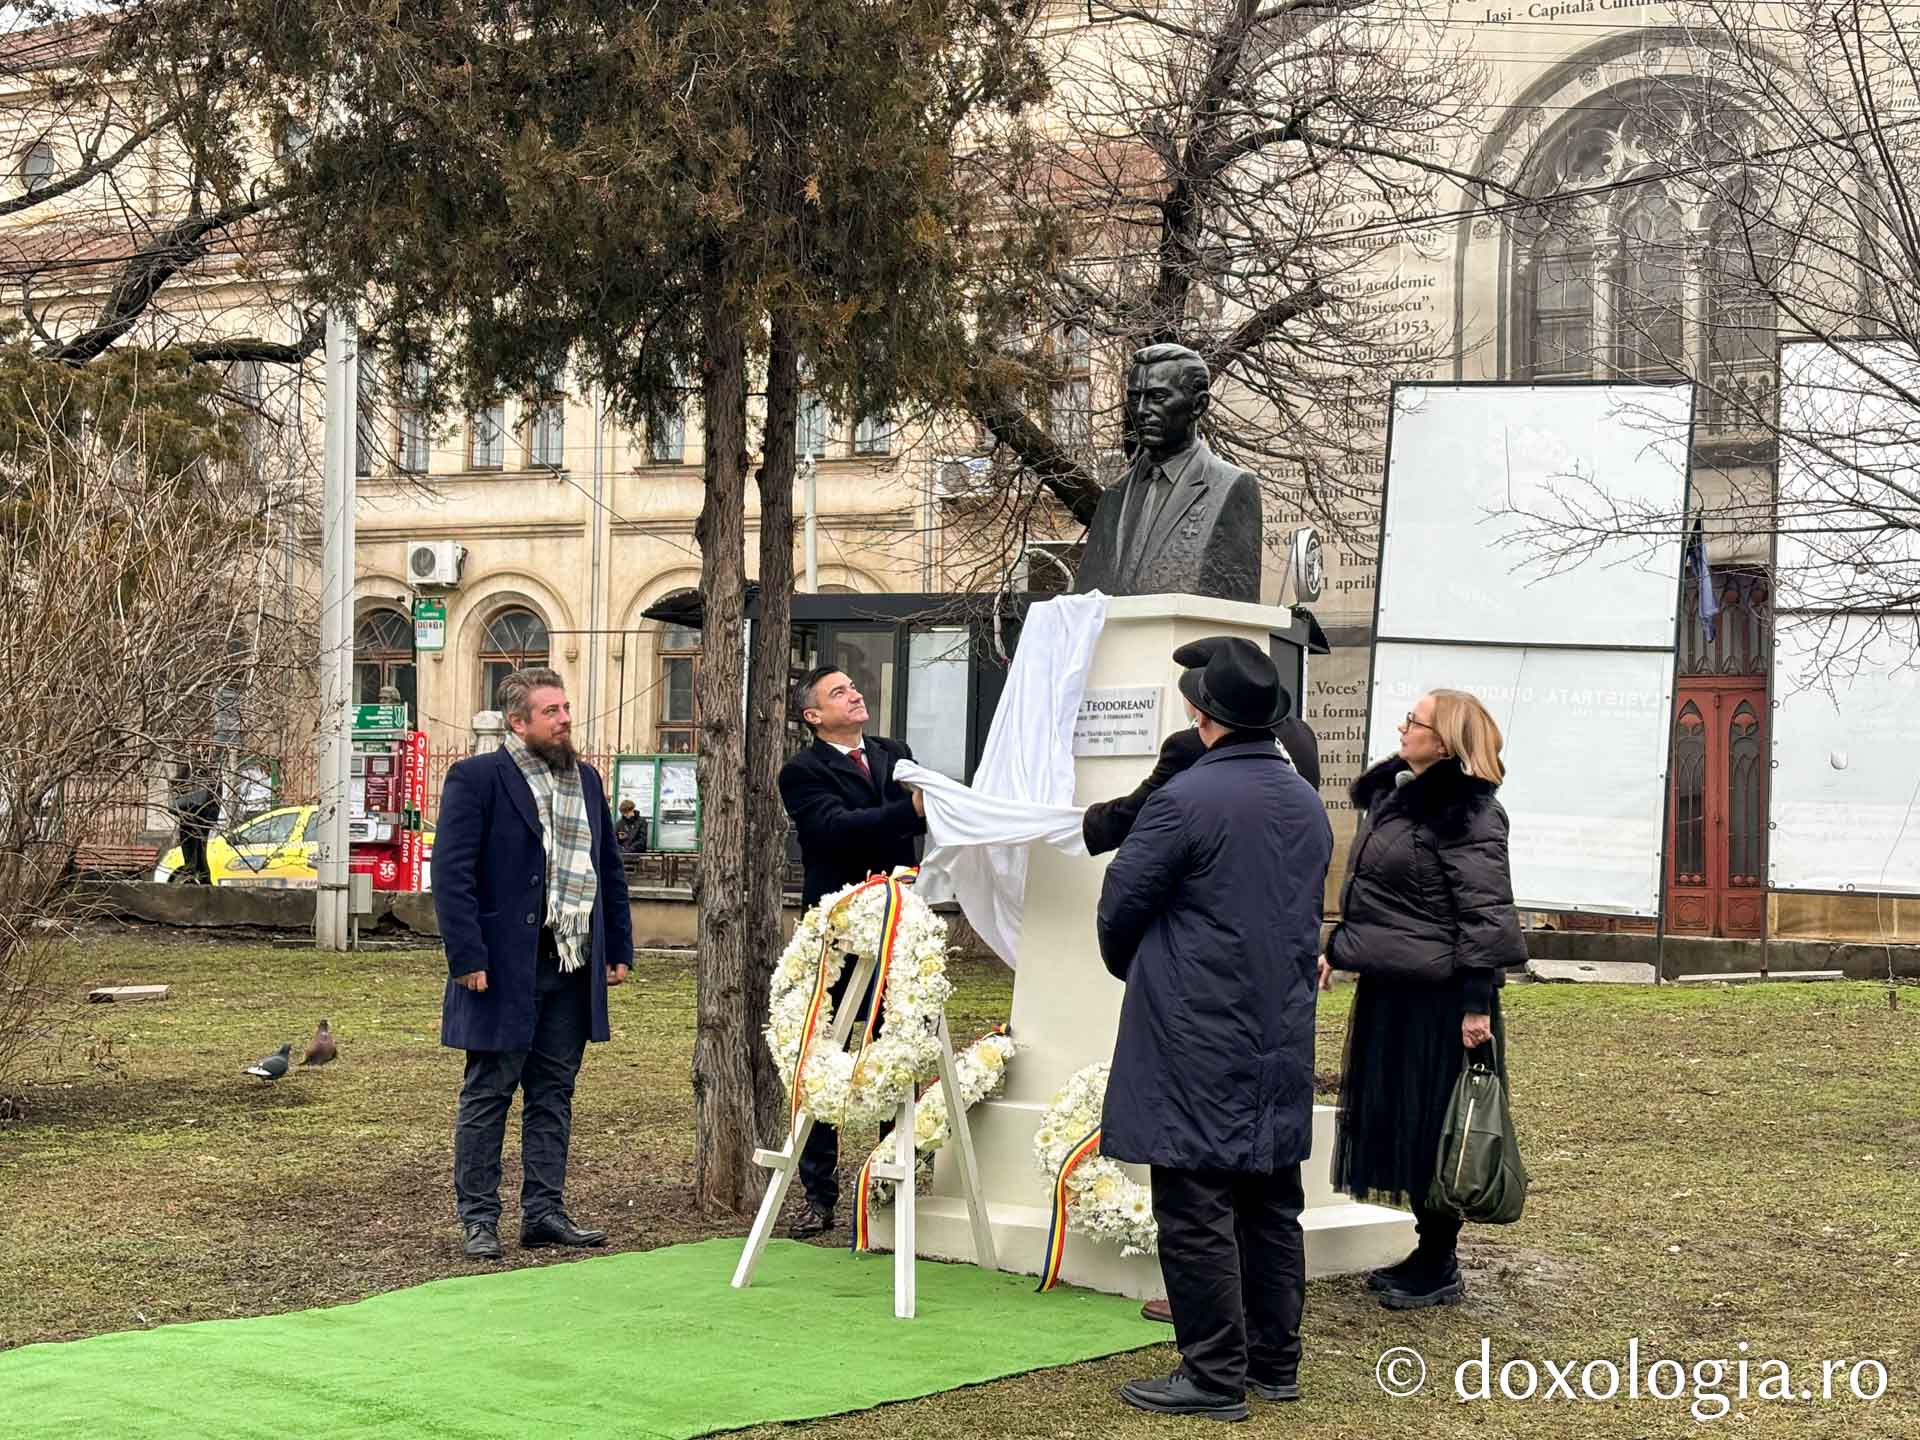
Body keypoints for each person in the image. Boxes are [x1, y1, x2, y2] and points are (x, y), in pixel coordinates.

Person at [1099, 637, 1333, 1421]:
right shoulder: (1303, 798)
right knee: (1270, 1197)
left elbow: (1120, 906)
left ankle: (1212, 1375)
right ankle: (1275, 1362)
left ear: (1203, 716)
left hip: (1194, 1024)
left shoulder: (1186, 798)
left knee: (1194, 1199)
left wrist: (1154, 968)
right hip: (1279, 1021)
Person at [1321, 688, 1527, 1309]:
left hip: (1442, 1000)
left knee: (1436, 1121)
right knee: (1399, 1119)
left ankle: (1439, 1260)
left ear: (1443, 740)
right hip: (1394, 987)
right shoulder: (1402, 796)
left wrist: (1475, 1006)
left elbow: (1485, 914)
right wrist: (1341, 945)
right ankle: (1428, 1250)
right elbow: (1385, 898)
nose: (1402, 727)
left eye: (1414, 721)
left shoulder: (1467, 812)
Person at [432, 666, 634, 1261]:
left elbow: (609, 871)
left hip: (571, 962)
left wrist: (617, 948)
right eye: (551, 712)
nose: (565, 719)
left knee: (553, 1093)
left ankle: (544, 1213)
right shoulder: (477, 778)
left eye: (566, 708)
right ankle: (479, 1219)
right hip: (501, 966)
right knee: (489, 1091)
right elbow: (452, 874)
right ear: (518, 723)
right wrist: (466, 955)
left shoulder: (587, 780)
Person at [776, 665, 927, 1239]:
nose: (855, 695)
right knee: (826, 1049)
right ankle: (819, 1194)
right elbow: (834, 829)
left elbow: (919, 808)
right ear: (814, 716)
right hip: (838, 927)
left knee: (899, 1044)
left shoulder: (894, 752)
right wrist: (907, 813)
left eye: (853, 687)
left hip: (898, 922)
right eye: (838, 692)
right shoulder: (802, 770)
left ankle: (890, 1185)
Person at [1072, 344, 1263, 604]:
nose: (1141, 410)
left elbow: (1234, 606)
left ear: (1198, 405)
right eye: (1134, 397)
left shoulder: (1232, 488)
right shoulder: (1114, 496)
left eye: (1157, 397)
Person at [172, 770, 219, 885]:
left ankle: (194, 875)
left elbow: (176, 783)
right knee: (199, 849)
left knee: (192, 849)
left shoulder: (194, 767)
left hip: (193, 815)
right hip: (202, 816)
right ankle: (202, 878)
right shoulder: (211, 770)